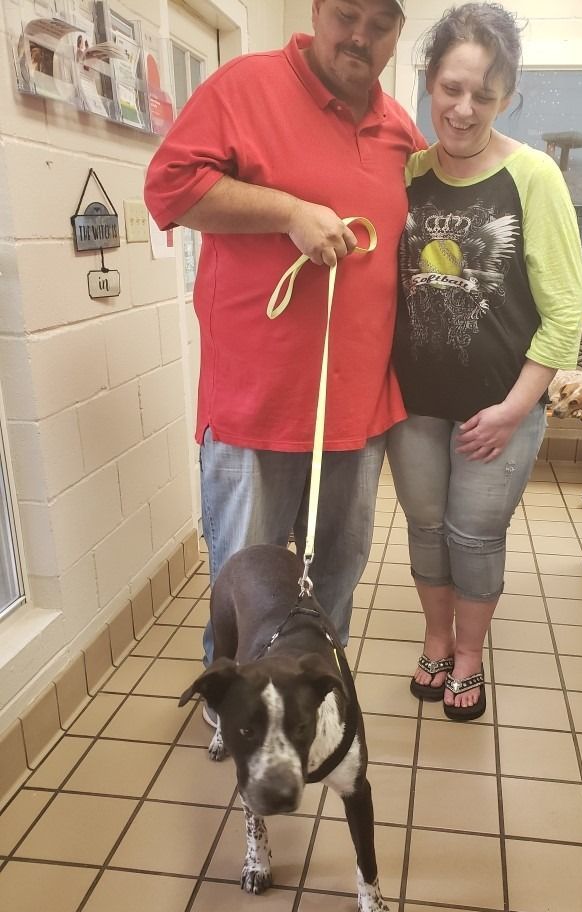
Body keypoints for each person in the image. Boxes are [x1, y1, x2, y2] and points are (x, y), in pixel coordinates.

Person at [144, 0, 424, 691]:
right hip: (255, 408)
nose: (360, 35)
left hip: (356, 412)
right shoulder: (245, 86)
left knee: (334, 580)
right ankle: (232, 703)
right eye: (347, 14)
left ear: (398, 31)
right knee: (247, 584)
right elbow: (169, 189)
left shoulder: (399, 134)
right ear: (318, 9)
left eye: (381, 22)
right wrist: (288, 211)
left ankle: (312, 698)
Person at [387, 3, 582, 721]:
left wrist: (514, 409)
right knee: (424, 527)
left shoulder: (534, 178)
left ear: (507, 98)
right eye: (450, 88)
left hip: (501, 407)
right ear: (429, 83)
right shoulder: (406, 172)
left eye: (484, 94)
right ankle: (437, 641)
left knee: (473, 534)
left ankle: (469, 656)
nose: (464, 109)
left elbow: (565, 313)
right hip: (413, 404)